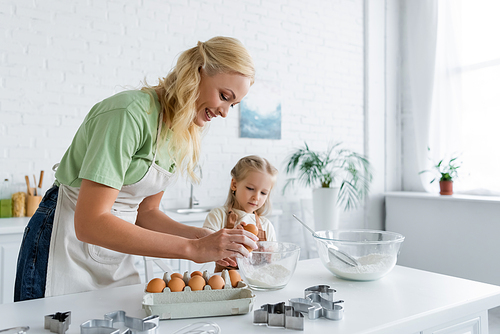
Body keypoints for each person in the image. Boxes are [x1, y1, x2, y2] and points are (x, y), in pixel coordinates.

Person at [14, 36, 259, 301]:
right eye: (224, 96)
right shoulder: (128, 114)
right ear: (196, 72)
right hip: (63, 245)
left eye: (232, 105)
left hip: (111, 257)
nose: (224, 112)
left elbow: (146, 213)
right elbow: (89, 223)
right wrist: (193, 248)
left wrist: (204, 236)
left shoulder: (179, 130)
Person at [203, 155, 279, 272]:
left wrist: (268, 255)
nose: (256, 197)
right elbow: (204, 248)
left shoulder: (266, 225)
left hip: (257, 283)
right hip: (225, 285)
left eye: (263, 193)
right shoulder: (218, 216)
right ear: (234, 185)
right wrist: (232, 238)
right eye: (250, 188)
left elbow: (274, 260)